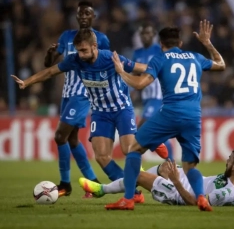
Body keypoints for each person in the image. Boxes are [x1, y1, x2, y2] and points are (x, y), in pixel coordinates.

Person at [11, 29, 168, 204]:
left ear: (94, 46)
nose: (81, 54)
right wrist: (27, 82)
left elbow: (141, 68)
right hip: (100, 113)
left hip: (122, 109)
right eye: (78, 50)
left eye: (84, 50)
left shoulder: (110, 58)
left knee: (128, 151)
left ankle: (150, 140)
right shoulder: (75, 60)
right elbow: (50, 72)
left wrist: (164, 71)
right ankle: (134, 190)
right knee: (101, 156)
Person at [105, 20, 226, 211]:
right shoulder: (196, 57)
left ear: (161, 44)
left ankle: (128, 199)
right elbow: (221, 64)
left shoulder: (159, 58)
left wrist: (121, 71)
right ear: (181, 43)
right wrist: (207, 43)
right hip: (194, 116)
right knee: (190, 166)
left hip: (171, 112)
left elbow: (139, 84)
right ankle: (201, 198)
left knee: (133, 149)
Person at [79, 127, 234, 206]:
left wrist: (177, 182)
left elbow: (195, 203)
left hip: (181, 193)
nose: (227, 160)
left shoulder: (225, 194)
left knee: (139, 177)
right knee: (165, 166)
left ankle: (101, 190)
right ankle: (138, 187)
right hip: (190, 182)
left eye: (230, 159)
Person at [43, 1, 110, 198]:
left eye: (87, 13)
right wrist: (49, 55)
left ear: (93, 17)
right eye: (80, 13)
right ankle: (94, 183)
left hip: (83, 93)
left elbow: (106, 64)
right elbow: (50, 64)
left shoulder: (102, 39)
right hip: (67, 92)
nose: (83, 17)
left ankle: (65, 183)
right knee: (72, 140)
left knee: (59, 136)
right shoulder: (66, 36)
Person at [132, 23, 173, 160]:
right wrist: (133, 90)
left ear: (154, 35)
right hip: (146, 99)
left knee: (141, 128)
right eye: (143, 33)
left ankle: (135, 165)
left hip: (159, 97)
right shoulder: (137, 53)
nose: (146, 36)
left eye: (149, 33)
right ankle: (171, 162)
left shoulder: (160, 51)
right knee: (156, 132)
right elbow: (135, 74)